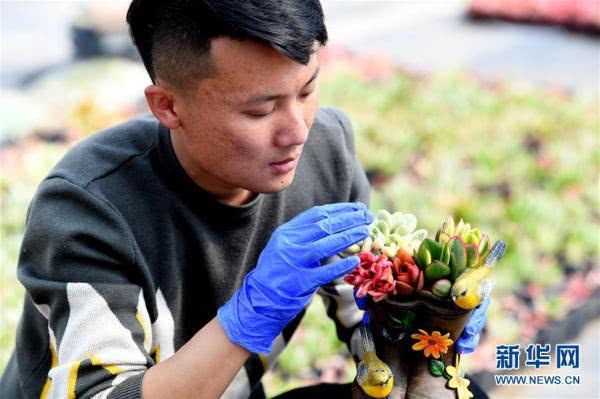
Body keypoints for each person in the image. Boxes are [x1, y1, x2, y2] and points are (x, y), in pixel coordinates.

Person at [0, 1, 488, 398]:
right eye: (260, 110)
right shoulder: (89, 208)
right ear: (167, 105)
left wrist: (420, 315)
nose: (296, 132)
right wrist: (248, 317)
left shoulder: (325, 151)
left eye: (307, 89)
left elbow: (362, 317)